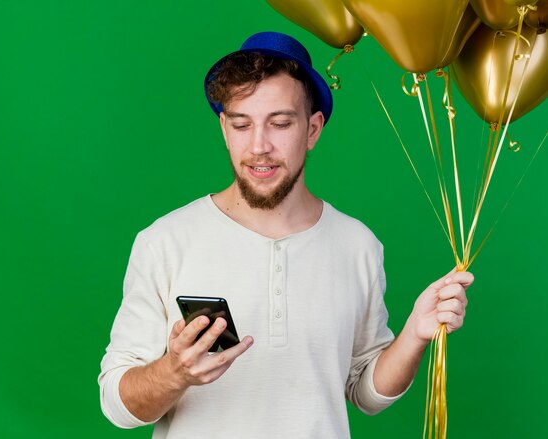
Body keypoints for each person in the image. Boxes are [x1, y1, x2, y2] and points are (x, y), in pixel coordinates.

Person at [98, 31, 473, 438]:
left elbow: (365, 392)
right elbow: (118, 406)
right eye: (242, 124)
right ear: (225, 129)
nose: (259, 146)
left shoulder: (358, 245)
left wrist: (416, 333)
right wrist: (174, 372)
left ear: (312, 129)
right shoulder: (165, 241)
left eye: (279, 123)